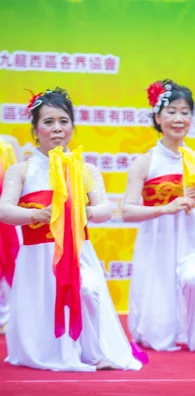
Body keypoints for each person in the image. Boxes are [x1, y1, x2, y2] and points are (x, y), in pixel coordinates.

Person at [0, 88, 141, 371]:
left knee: (87, 290)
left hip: (77, 252)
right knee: (46, 306)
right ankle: (53, 352)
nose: (57, 129)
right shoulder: (21, 170)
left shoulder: (85, 169)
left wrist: (83, 212)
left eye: (64, 121)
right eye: (48, 121)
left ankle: (93, 351)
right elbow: (4, 211)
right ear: (35, 129)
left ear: (73, 127)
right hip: (37, 256)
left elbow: (105, 209)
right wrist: (37, 214)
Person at [123, 79, 195, 352]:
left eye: (185, 112)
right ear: (158, 117)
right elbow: (127, 211)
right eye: (171, 112)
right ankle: (164, 332)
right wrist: (165, 208)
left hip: (190, 242)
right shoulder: (145, 162)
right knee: (158, 335)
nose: (178, 119)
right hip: (156, 243)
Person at [0, 134, 23, 335]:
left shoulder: (8, 143)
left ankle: (8, 315)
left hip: (5, 217)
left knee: (9, 262)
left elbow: (24, 182)